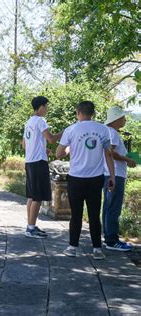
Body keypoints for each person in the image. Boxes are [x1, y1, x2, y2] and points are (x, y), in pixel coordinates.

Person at [56, 101, 115, 260]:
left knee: (76, 214)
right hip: (96, 178)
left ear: (78, 112)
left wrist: (68, 149)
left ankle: (72, 247)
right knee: (94, 214)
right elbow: (108, 154)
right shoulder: (103, 129)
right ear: (93, 113)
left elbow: (59, 154)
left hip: (76, 178)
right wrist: (112, 176)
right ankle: (97, 249)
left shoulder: (71, 129)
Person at [22, 96, 63, 239]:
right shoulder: (40, 120)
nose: (47, 109)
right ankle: (31, 229)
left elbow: (24, 144)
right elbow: (51, 139)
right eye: (46, 106)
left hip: (30, 161)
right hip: (39, 162)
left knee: (32, 196)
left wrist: (40, 149)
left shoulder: (28, 122)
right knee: (37, 197)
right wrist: (64, 133)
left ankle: (30, 225)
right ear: (41, 107)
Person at [102, 106, 136, 251]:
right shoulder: (113, 133)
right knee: (114, 207)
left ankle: (107, 235)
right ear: (115, 120)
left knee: (108, 206)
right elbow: (111, 153)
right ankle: (112, 239)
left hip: (107, 173)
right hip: (115, 174)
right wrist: (127, 160)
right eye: (122, 117)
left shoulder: (107, 132)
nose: (124, 120)